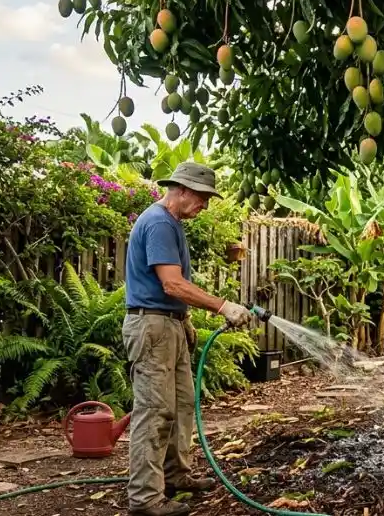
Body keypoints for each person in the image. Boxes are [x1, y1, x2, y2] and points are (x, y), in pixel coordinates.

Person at [122, 161, 254, 516]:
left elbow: (171, 290)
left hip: (169, 325)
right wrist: (222, 306)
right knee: (153, 412)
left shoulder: (172, 223)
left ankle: (176, 475)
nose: (205, 206)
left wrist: (185, 317)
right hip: (152, 329)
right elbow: (172, 283)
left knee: (181, 405)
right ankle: (145, 500)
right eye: (202, 197)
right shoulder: (159, 223)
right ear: (181, 190)